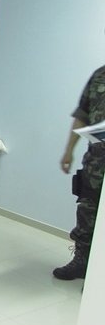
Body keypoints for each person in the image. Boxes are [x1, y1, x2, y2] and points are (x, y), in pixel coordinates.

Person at [54, 65, 105, 280]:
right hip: (96, 164)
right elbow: (82, 115)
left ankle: (98, 280)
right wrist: (68, 151)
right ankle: (81, 263)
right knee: (87, 214)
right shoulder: (100, 74)